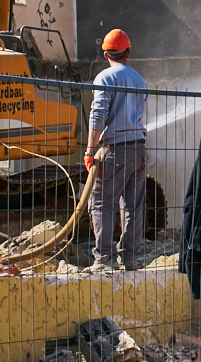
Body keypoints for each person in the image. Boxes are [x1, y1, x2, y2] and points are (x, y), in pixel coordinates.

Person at [85, 28, 149, 269]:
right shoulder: (138, 79)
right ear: (128, 53)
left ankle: (104, 259)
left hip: (115, 149)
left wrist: (90, 151)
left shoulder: (105, 77)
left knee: (102, 202)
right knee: (133, 206)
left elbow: (98, 115)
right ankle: (130, 258)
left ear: (105, 55)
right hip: (139, 149)